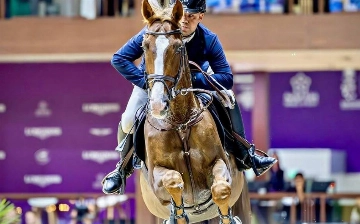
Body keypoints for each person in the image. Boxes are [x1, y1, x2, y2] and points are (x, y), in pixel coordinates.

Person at [102, 0, 277, 195]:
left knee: (229, 98)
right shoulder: (156, 31)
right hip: (155, 85)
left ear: (201, 17)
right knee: (127, 119)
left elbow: (226, 77)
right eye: (183, 14)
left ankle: (245, 153)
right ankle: (121, 169)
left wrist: (192, 80)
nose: (185, 20)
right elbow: (119, 59)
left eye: (192, 16)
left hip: (193, 88)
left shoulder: (208, 39)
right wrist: (148, 84)